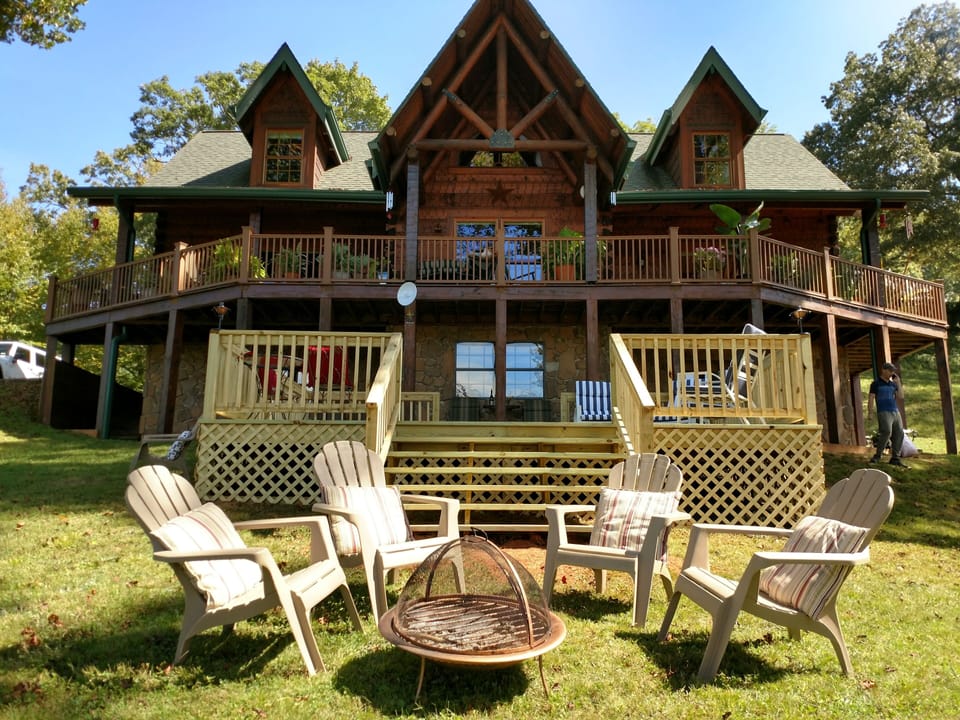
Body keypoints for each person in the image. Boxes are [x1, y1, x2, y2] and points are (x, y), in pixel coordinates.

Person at [868, 362, 907, 467]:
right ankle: (877, 455)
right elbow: (871, 397)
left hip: (895, 411)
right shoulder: (876, 384)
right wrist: (870, 412)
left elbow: (901, 396)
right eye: (890, 371)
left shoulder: (892, 384)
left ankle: (895, 458)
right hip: (883, 411)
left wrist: (898, 382)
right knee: (886, 432)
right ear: (884, 370)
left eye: (893, 371)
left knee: (899, 432)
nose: (892, 373)